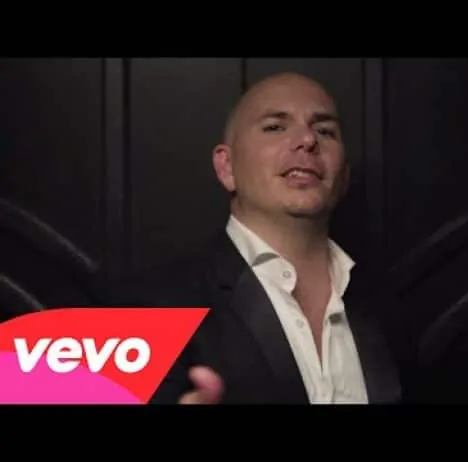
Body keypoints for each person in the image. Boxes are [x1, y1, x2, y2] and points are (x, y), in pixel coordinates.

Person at [107, 72, 412, 404]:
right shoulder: (138, 309)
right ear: (226, 167)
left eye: (325, 131)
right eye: (275, 127)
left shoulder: (386, 307)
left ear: (344, 177)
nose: (307, 140)